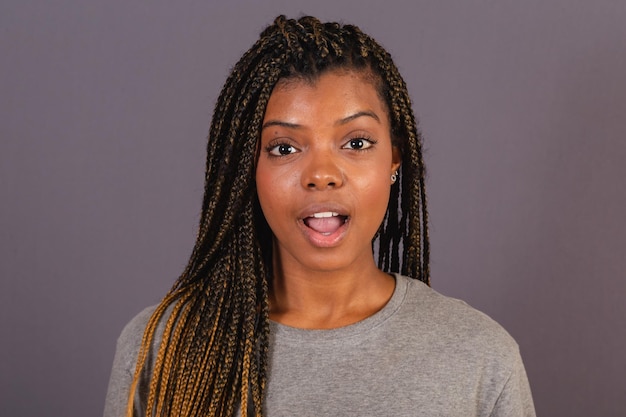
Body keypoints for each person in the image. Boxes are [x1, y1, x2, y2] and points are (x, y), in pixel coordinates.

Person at [103, 15, 536, 417]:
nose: (322, 175)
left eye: (357, 142)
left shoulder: (479, 357)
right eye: (284, 148)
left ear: (394, 161)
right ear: (246, 171)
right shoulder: (163, 349)